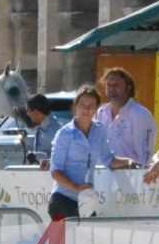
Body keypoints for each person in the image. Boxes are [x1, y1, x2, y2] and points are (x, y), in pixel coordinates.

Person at [48, 83, 140, 220]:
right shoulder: (64, 134)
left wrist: (129, 161)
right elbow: (55, 172)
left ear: (96, 109)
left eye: (91, 105)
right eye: (83, 105)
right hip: (63, 199)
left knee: (89, 239)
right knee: (66, 241)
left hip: (87, 201)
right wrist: (77, 188)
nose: (87, 109)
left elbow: (109, 160)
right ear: (75, 107)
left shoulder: (99, 130)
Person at [95, 67, 157, 167]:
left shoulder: (140, 114)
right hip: (104, 175)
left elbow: (144, 155)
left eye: (116, 85)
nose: (111, 89)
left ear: (128, 87)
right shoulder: (101, 112)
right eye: (108, 85)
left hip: (132, 175)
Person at [24, 93, 61, 167]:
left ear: (36, 112)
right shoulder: (41, 127)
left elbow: (60, 158)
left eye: (28, 110)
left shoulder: (56, 131)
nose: (27, 114)